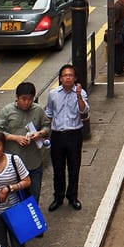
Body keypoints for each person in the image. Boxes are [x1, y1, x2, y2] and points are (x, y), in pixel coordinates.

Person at [43, 64, 89, 212]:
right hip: (57, 135)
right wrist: (44, 132)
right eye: (65, 75)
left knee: (74, 168)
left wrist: (79, 96)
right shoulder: (53, 94)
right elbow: (49, 113)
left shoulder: (80, 93)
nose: (68, 78)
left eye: (70, 75)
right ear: (61, 79)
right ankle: (58, 197)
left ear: (75, 78)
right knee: (58, 169)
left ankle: (73, 197)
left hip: (74, 134)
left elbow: (84, 111)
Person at [0, 82, 49, 204]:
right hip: (13, 164)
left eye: (30, 99)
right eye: (23, 99)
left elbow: (47, 127)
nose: (26, 102)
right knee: (14, 198)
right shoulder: (7, 111)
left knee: (34, 195)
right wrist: (15, 138)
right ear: (17, 97)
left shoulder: (38, 110)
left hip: (33, 162)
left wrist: (40, 134)